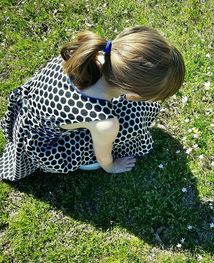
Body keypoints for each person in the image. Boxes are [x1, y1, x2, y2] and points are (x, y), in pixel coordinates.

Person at [0, 26, 185, 181]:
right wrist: (112, 167)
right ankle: (85, 161)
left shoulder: (87, 54)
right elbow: (104, 157)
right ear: (133, 95)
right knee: (133, 119)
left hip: (25, 116)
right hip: (46, 148)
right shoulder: (105, 123)